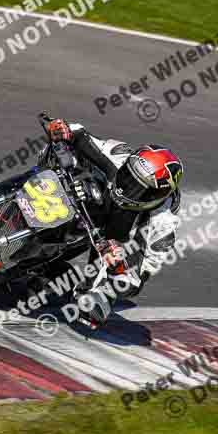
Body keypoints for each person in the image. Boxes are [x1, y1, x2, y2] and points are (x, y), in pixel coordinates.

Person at [41, 117, 184, 327]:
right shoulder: (119, 154)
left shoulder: (163, 222)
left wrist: (118, 266)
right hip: (84, 194)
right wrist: (63, 129)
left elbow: (140, 276)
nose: (125, 188)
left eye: (137, 188)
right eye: (127, 176)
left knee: (93, 300)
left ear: (156, 196)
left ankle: (86, 290)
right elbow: (82, 134)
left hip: (113, 234)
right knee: (54, 153)